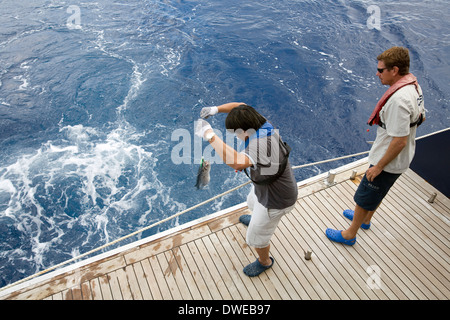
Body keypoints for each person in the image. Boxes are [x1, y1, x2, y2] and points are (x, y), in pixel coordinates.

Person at [326, 46, 426, 245]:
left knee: (365, 195)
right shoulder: (413, 86)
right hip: (402, 159)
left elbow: (399, 141)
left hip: (387, 161)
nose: (377, 73)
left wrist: (379, 166)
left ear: (394, 70)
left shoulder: (399, 100)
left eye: (381, 70)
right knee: (379, 192)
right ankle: (365, 219)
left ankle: (350, 234)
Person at [195, 103, 298, 277]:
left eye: (235, 133)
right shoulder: (262, 123)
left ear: (244, 131)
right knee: (251, 201)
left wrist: (210, 135)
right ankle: (255, 219)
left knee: (255, 238)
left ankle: (264, 262)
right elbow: (242, 106)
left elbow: (236, 162)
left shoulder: (260, 144)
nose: (236, 136)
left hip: (276, 200)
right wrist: (216, 109)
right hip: (264, 187)